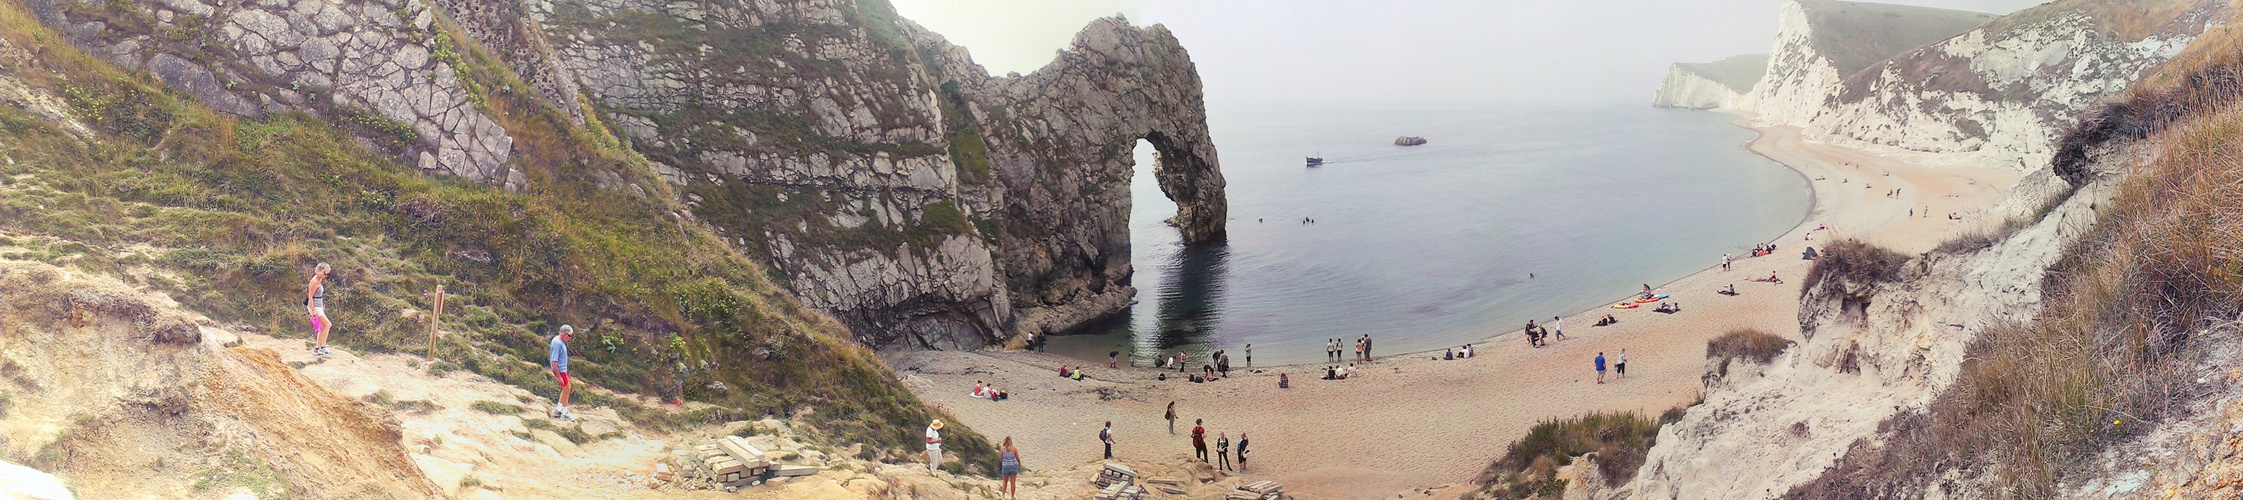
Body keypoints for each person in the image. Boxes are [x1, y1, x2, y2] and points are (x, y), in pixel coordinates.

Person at [306, 263, 333, 357]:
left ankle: (317, 349)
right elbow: (310, 296)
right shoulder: (314, 282)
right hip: (315, 307)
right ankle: (323, 346)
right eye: (325, 273)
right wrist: (313, 310)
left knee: (322, 327)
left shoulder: (319, 279)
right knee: (328, 324)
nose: (326, 276)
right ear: (320, 272)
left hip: (318, 305)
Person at [550, 325, 575, 421]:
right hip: (560, 370)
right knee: (567, 389)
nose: (570, 338)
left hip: (563, 370)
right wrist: (559, 377)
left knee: (566, 389)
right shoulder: (558, 343)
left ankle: (559, 410)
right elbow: (553, 361)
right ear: (564, 334)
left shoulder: (558, 340)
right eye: (569, 336)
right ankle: (565, 412)